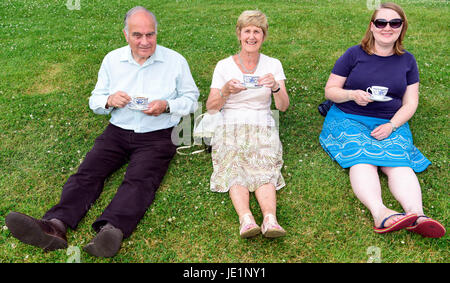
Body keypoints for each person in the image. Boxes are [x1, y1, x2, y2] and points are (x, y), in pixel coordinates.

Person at [5, 6, 200, 257]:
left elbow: (192, 99)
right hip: (118, 130)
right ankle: (55, 225)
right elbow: (95, 99)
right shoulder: (112, 60)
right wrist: (108, 100)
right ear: (125, 34)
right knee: (88, 172)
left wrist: (167, 106)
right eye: (137, 35)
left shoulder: (175, 61)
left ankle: (111, 230)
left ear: (156, 33)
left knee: (140, 180)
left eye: (150, 35)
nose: (144, 41)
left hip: (158, 134)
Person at [319, 2, 445, 238]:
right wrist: (351, 95)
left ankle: (417, 215)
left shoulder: (408, 61)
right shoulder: (354, 54)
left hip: (389, 120)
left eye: (394, 23)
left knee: (399, 163)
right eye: (381, 22)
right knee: (362, 158)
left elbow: (410, 103)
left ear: (401, 27)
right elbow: (330, 90)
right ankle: (381, 213)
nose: (387, 27)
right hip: (348, 117)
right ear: (372, 27)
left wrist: (392, 125)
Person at [206, 10, 290, 238]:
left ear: (264, 36)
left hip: (262, 122)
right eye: (247, 31)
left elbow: (283, 106)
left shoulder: (273, 64)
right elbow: (211, 107)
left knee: (264, 164)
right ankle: (246, 219)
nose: (251, 36)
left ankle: (270, 219)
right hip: (230, 123)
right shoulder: (224, 66)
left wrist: (275, 87)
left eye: (257, 31)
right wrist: (225, 91)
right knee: (233, 162)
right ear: (239, 34)